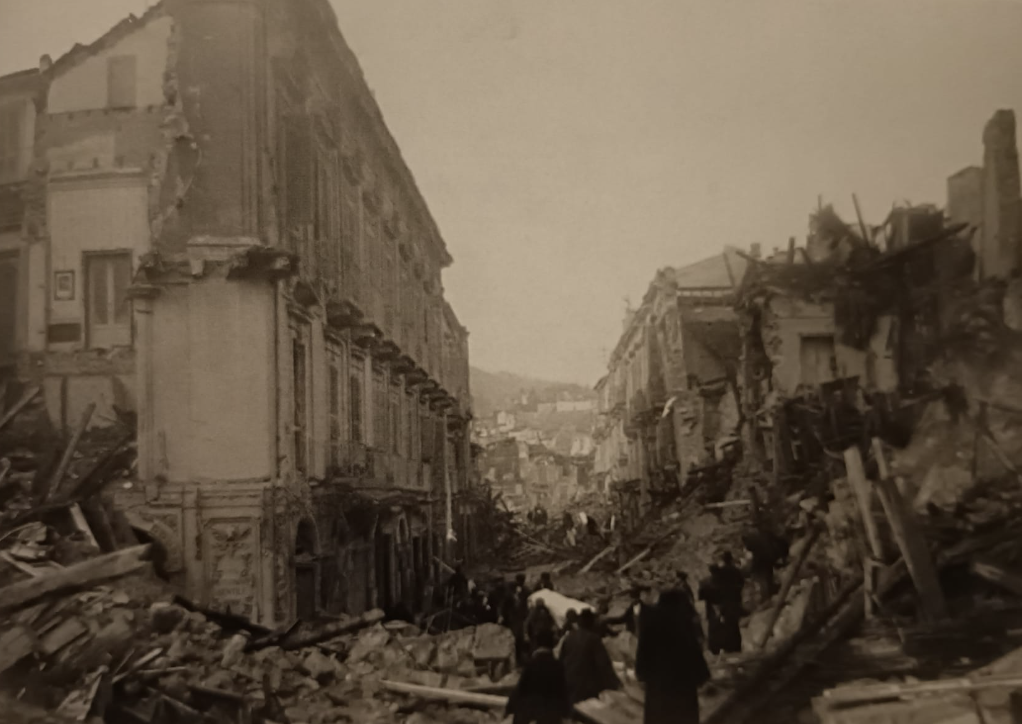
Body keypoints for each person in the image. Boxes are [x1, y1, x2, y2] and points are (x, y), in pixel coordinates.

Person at [636, 589, 711, 724]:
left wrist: (642, 675)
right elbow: (695, 657)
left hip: (657, 690)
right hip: (682, 691)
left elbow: (642, 656)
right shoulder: (682, 625)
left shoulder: (650, 623)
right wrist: (703, 676)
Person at [505, 629, 573, 724]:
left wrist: (509, 708)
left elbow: (520, 689)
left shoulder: (531, 664)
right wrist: (567, 713)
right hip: (551, 716)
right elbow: (563, 691)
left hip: (530, 714)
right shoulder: (558, 666)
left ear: (537, 644)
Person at [559, 609, 622, 704]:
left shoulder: (569, 637)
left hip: (569, 683)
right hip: (587, 687)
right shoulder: (594, 640)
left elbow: (561, 661)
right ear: (592, 623)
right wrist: (615, 684)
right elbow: (604, 665)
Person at [715, 552, 745, 654]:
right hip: (735, 599)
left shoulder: (720, 572)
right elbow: (742, 582)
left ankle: (729, 647)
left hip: (725, 600)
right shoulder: (736, 570)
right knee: (735, 622)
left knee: (727, 623)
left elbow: (717, 587)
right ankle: (737, 646)